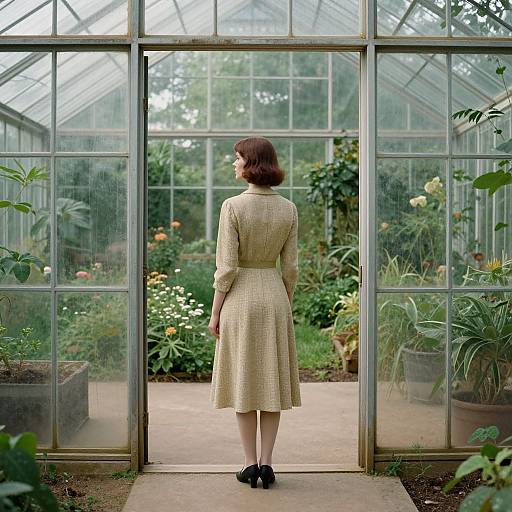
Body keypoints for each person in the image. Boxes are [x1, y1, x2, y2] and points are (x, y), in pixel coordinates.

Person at [208, 136, 302, 489]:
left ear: (250, 163)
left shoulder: (232, 206)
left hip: (241, 301)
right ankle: (268, 464)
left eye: (237, 158)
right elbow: (290, 267)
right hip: (274, 296)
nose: (233, 164)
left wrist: (215, 312)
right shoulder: (288, 209)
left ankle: (248, 465)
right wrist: (286, 301)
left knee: (246, 382)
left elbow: (227, 268)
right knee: (271, 383)